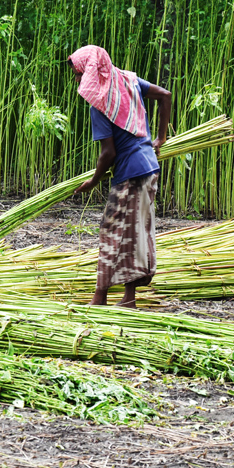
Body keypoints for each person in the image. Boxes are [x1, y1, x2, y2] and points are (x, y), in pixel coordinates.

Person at [69, 45, 171, 308]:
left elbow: (108, 153)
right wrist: (160, 138)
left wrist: (93, 181)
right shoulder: (129, 79)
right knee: (134, 232)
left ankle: (100, 298)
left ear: (91, 70)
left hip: (131, 173)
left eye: (79, 74)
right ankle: (128, 299)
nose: (78, 80)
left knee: (111, 231)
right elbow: (165, 95)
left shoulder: (99, 103)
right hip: (149, 168)